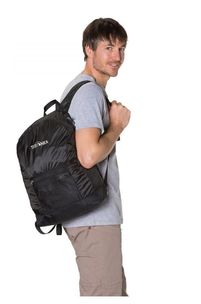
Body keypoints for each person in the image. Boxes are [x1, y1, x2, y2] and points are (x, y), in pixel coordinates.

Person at [60, 18, 131, 296]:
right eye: (109, 47)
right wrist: (117, 127)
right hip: (94, 217)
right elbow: (88, 156)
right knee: (103, 294)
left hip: (89, 216)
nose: (117, 56)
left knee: (112, 292)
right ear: (89, 49)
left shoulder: (82, 90)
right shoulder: (88, 92)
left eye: (122, 48)